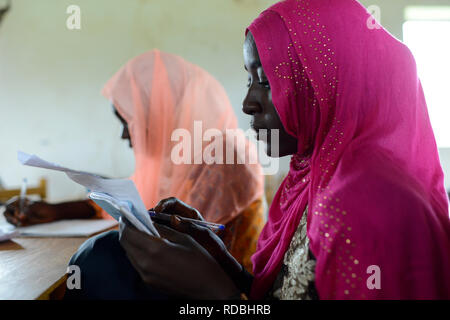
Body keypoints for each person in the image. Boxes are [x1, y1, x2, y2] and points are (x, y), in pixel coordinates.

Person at [67, 0, 450, 300]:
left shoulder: (367, 200)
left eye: (268, 82)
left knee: (102, 266)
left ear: (330, 86)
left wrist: (216, 293)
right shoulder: (314, 176)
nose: (248, 102)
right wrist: (225, 264)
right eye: (250, 79)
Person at [5, 50, 264, 273]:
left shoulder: (224, 156)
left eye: (129, 122)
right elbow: (128, 202)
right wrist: (54, 210)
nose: (124, 135)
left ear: (159, 112)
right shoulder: (178, 157)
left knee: (90, 265)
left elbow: (176, 243)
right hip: (182, 280)